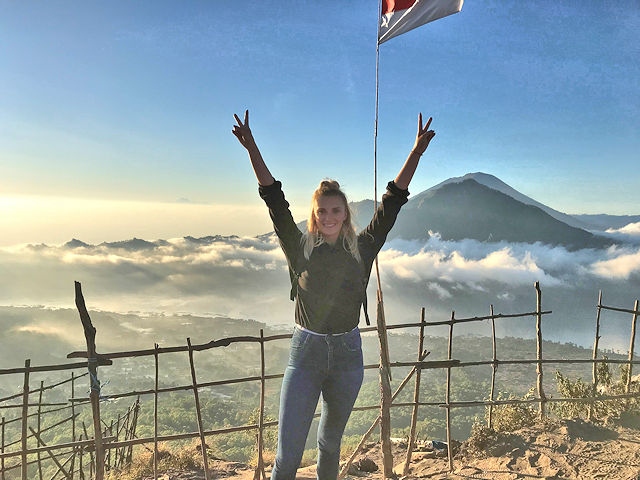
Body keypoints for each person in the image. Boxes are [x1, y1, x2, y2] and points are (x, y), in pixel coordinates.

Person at [232, 110, 435, 480]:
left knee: (329, 446)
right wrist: (252, 148)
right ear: (315, 214)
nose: (329, 216)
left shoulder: (362, 248)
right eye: (322, 211)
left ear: (345, 214)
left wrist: (416, 153)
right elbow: (274, 200)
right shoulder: (300, 248)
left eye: (336, 210)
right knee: (288, 455)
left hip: (347, 356)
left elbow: (392, 202)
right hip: (305, 353)